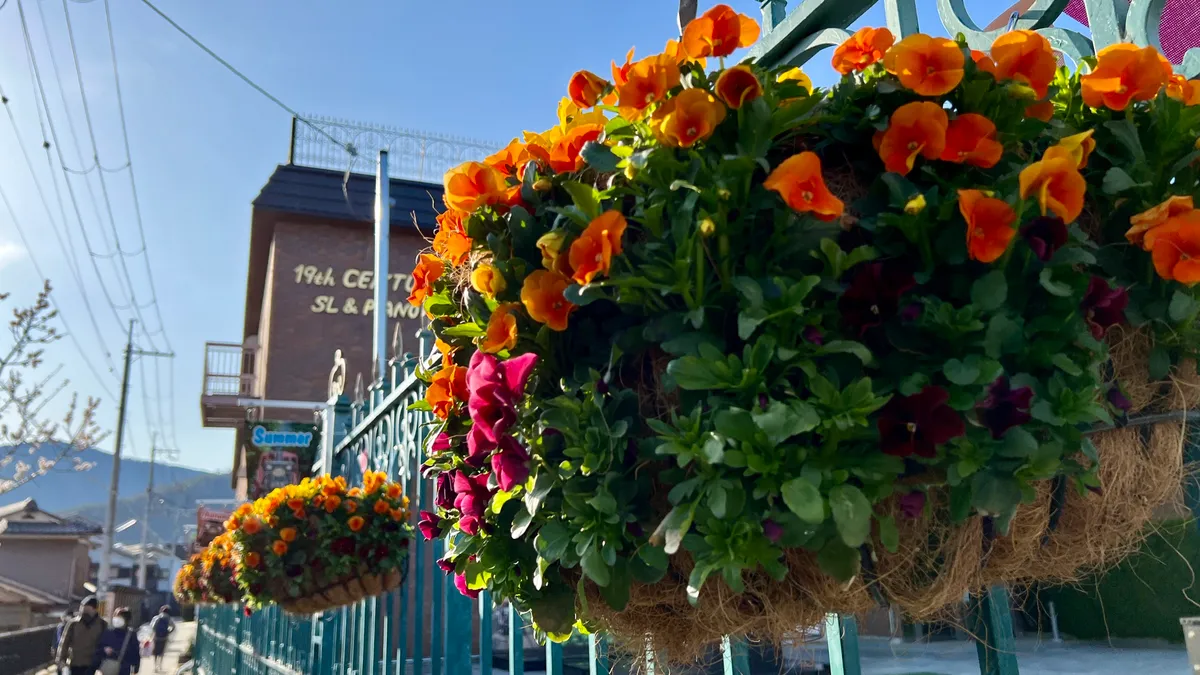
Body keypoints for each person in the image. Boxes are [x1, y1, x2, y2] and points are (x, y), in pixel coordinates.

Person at [56, 596, 107, 675]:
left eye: (87, 607)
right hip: (75, 663)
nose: (83, 609)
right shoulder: (73, 623)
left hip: (93, 665)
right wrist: (62, 662)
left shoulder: (102, 624)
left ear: (94, 609)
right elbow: (64, 643)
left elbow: (105, 644)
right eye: (82, 607)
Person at [96, 607, 141, 675]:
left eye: (120, 617)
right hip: (108, 667)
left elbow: (135, 652)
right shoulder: (108, 631)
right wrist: (104, 649)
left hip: (124, 669)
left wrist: (136, 668)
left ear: (127, 620)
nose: (117, 619)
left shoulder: (131, 634)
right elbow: (99, 647)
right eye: (116, 616)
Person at [148, 605, 175, 672]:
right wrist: (168, 631)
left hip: (156, 638)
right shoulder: (168, 618)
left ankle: (155, 667)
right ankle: (160, 666)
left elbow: (152, 627)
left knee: (155, 653)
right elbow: (173, 626)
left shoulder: (156, 617)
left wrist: (152, 635)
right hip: (164, 638)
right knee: (161, 652)